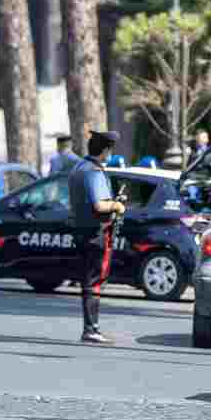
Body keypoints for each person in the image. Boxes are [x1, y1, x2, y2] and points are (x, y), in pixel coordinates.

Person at [69, 130, 127, 344]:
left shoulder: (78, 168)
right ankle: (91, 329)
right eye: (110, 149)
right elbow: (99, 205)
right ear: (105, 150)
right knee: (94, 281)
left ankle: (90, 327)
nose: (110, 153)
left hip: (82, 230)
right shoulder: (93, 172)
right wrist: (117, 205)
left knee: (88, 279)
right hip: (96, 232)